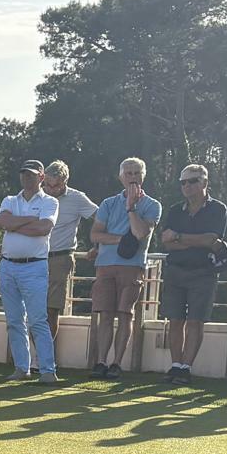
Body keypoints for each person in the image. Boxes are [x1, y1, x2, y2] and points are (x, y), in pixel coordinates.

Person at [88, 157, 161, 380]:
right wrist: (122, 240)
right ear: (120, 176)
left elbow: (140, 233)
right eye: (128, 173)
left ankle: (116, 363)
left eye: (137, 173)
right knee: (105, 315)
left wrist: (131, 207)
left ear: (143, 176)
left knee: (125, 315)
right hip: (105, 265)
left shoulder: (152, 205)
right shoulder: (108, 203)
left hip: (132, 267)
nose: (133, 177)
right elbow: (95, 235)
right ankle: (101, 361)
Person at [158, 164, 227, 385]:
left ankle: (186, 368)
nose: (187, 186)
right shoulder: (175, 210)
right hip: (175, 270)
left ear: (205, 182)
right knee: (175, 319)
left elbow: (211, 239)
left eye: (193, 181)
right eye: (183, 182)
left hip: (203, 272)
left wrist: (179, 237)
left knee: (196, 321)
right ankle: (175, 365)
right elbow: (166, 242)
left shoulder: (218, 209)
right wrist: (197, 241)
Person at [0, 159, 60, 385]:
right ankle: (22, 367)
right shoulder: (10, 200)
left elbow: (43, 228)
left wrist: (14, 224)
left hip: (34, 266)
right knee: (14, 320)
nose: (26, 178)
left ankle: (48, 370)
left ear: (41, 177)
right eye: (23, 174)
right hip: (8, 265)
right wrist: (28, 220)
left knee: (38, 320)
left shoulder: (50, 202)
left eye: (30, 174)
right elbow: (0, 222)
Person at [41, 160, 99, 340]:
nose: (51, 190)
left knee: (51, 309)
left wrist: (98, 245)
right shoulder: (37, 196)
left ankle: (44, 353)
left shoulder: (77, 198)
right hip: (34, 257)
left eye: (56, 185)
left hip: (60, 258)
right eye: (47, 185)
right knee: (33, 309)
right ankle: (33, 352)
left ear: (65, 181)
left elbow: (100, 218)